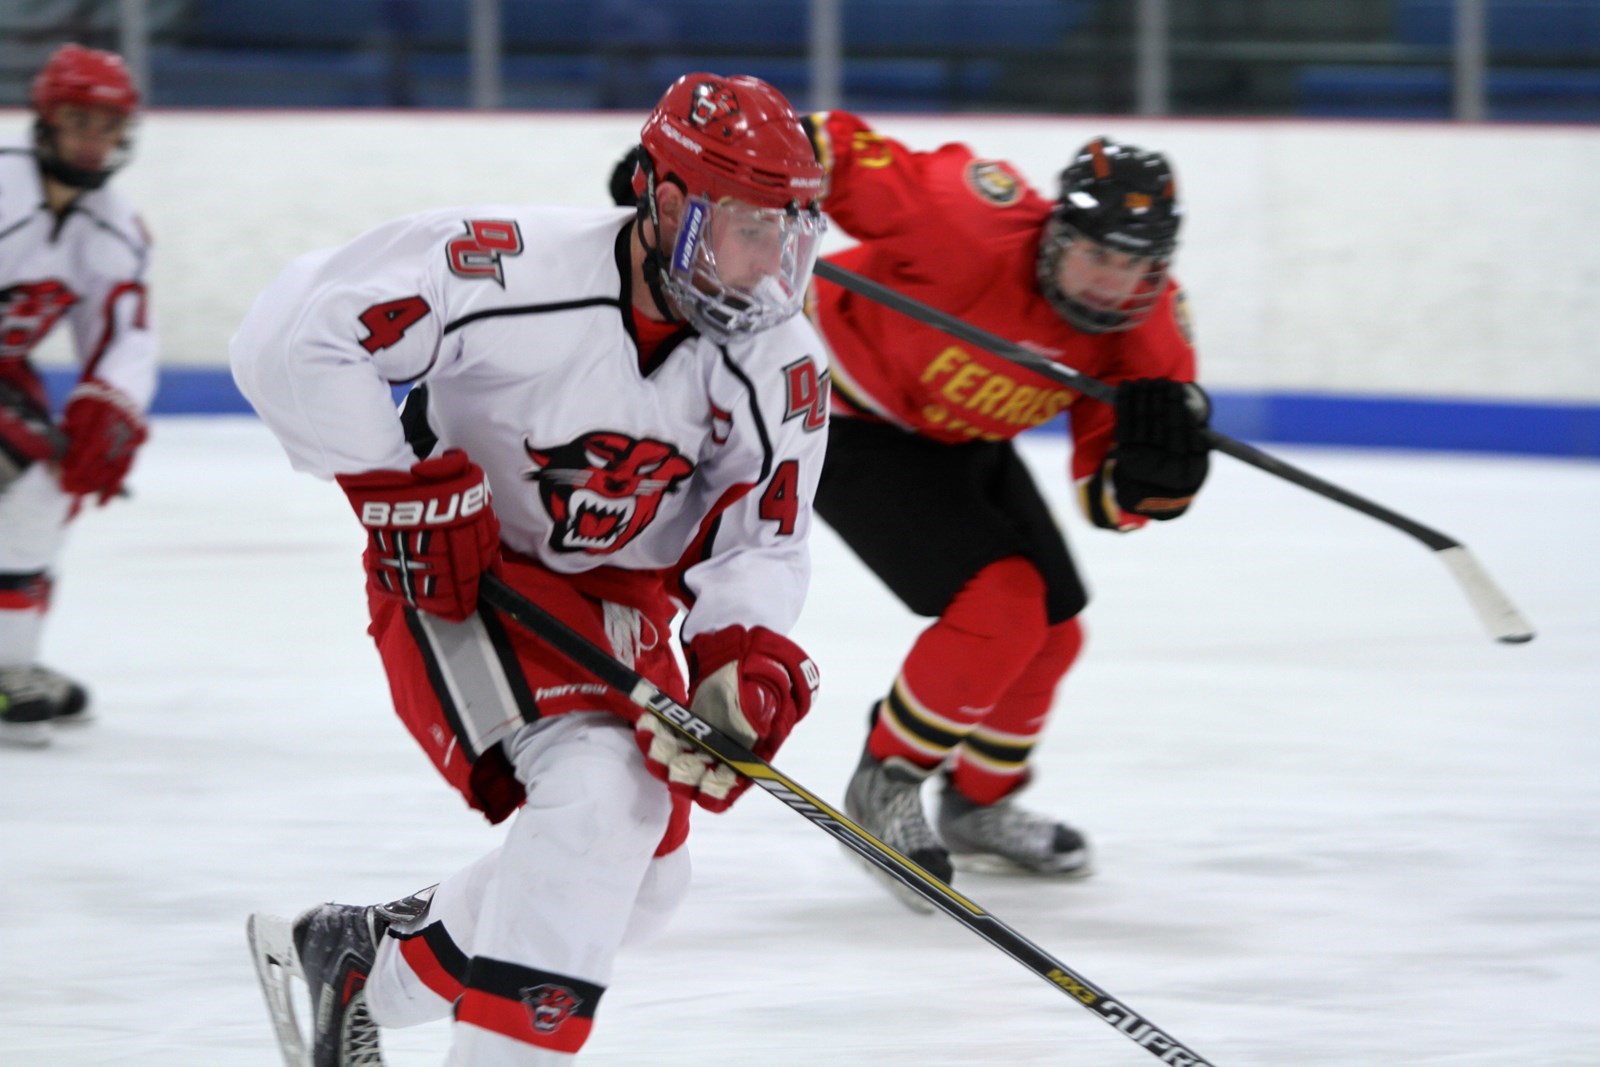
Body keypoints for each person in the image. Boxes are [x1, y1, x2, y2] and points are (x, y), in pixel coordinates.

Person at [232, 72, 828, 1064]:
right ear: (669, 202)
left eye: (788, 233)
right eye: (747, 227)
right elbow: (294, 328)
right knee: (603, 799)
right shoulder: (506, 266)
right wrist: (395, 488)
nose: (770, 263)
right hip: (462, 575)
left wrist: (744, 661)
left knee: (642, 879)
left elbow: (762, 535)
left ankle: (361, 963)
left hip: (615, 598)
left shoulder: (779, 360)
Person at [803, 115, 1210, 885]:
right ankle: (884, 784)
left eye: (1136, 266)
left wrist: (1156, 483)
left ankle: (978, 806)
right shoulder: (967, 218)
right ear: (1058, 232)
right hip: (837, 411)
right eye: (1096, 254)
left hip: (958, 433)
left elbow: (1104, 495)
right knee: (1004, 606)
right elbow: (837, 152)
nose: (1111, 282)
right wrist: (707, 176)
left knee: (1054, 634)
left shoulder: (1150, 335)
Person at [0, 43, 156, 748]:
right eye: (78, 119)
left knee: (46, 479)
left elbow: (124, 335)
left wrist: (111, 405)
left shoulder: (114, 226)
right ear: (45, 120)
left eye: (108, 123)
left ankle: (12, 664)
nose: (94, 138)